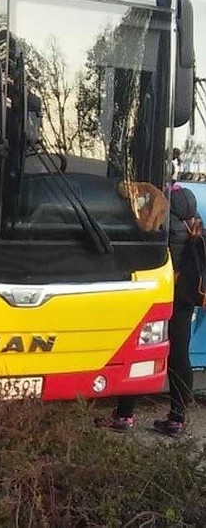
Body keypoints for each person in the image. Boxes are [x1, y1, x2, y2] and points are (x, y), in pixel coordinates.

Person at [96, 184, 203, 436]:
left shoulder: (159, 220)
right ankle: (177, 419)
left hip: (157, 294)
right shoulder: (193, 221)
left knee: (139, 351)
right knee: (179, 354)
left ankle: (124, 415)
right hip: (184, 295)